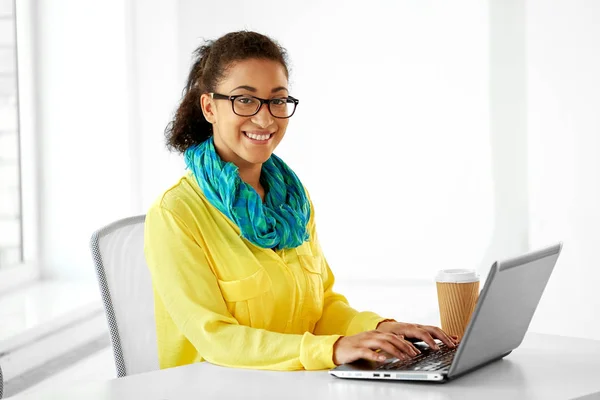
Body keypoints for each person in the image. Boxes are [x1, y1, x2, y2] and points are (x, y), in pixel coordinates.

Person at [144, 30, 458, 371]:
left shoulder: (292, 200)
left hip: (294, 386)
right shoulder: (175, 215)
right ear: (209, 107)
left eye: (277, 100)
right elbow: (216, 339)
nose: (265, 118)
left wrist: (381, 329)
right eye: (245, 100)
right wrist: (333, 350)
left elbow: (320, 309)